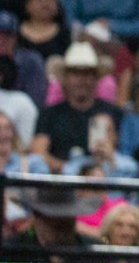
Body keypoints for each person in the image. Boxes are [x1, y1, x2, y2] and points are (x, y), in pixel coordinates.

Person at [30, 43, 123, 173]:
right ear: (65, 78)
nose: (81, 80)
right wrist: (67, 169)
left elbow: (118, 153)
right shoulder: (49, 114)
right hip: (59, 185)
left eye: (87, 74)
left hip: (101, 179)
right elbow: (38, 152)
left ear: (96, 78)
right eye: (75, 73)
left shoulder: (111, 112)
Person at [0, 9, 48, 107]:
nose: (1, 41)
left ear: (15, 38)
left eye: (7, 36)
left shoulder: (31, 62)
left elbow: (35, 102)